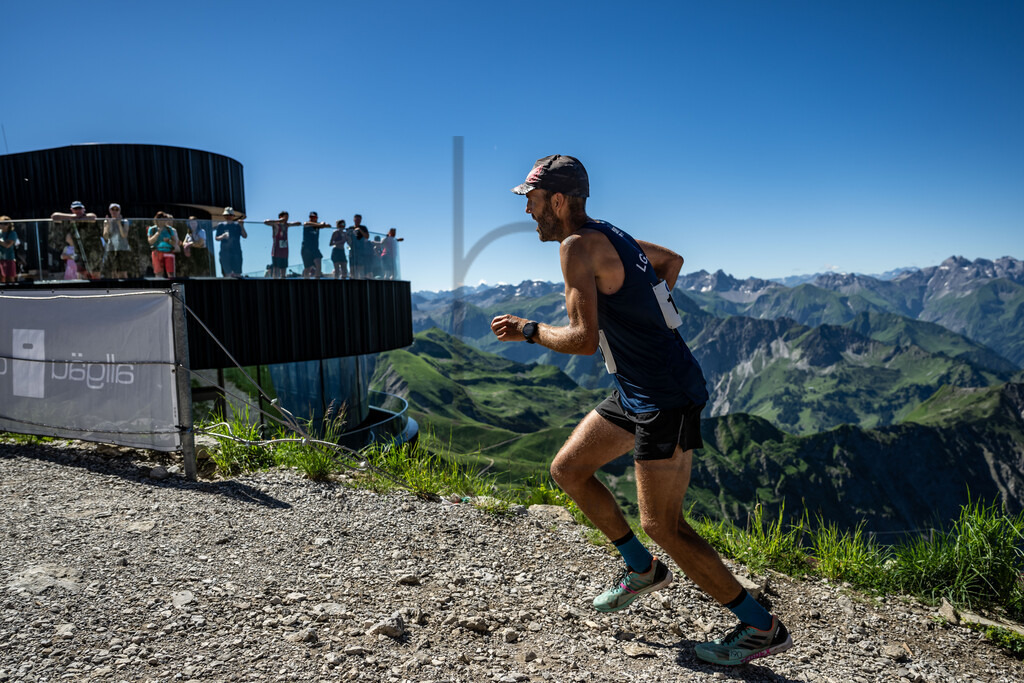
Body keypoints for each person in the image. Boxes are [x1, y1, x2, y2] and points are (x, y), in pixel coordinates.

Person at [490, 155, 793, 667]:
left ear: (557, 201)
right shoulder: (612, 234)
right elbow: (671, 261)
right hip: (636, 389)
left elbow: (583, 341)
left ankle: (761, 627)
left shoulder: (575, 246)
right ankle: (642, 570)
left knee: (662, 525)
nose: (528, 211)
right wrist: (641, 317)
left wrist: (528, 330)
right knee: (568, 469)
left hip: (664, 396)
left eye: (532, 200)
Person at [51, 201, 102, 279]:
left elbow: (93, 217)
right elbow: (54, 216)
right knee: (81, 273)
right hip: (79, 251)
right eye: (75, 209)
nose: (78, 210)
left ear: (83, 209)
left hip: (91, 249)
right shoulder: (71, 218)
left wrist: (78, 217)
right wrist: (73, 216)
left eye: (79, 208)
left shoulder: (88, 216)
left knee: (95, 273)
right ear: (72, 210)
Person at [263, 211, 300, 279]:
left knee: (283, 269)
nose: (286, 219)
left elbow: (298, 223)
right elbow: (266, 222)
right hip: (276, 250)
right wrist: (279, 221)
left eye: (287, 217)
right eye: (285, 217)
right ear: (281, 217)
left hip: (284, 251)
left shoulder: (286, 225)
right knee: (276, 269)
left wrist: (290, 223)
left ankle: (283, 281)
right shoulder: (276, 225)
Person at [102, 203, 132, 278]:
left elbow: (124, 235)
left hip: (123, 248)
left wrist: (119, 223)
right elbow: (105, 236)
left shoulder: (125, 221)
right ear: (110, 211)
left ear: (119, 211)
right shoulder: (107, 221)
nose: (114, 211)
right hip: (111, 248)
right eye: (113, 209)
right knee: (113, 272)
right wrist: (108, 225)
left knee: (123, 272)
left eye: (116, 209)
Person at [214, 207, 247, 276]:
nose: (228, 217)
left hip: (236, 252)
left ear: (233, 216)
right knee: (227, 274)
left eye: (230, 215)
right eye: (227, 215)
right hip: (225, 253)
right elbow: (216, 238)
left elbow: (245, 236)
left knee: (237, 273)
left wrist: (242, 226)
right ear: (224, 216)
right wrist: (222, 236)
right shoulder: (221, 225)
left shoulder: (237, 225)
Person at [147, 211, 180, 278]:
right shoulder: (152, 229)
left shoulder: (169, 229)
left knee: (171, 274)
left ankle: (171, 284)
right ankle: (159, 284)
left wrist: (168, 241)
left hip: (168, 252)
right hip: (157, 253)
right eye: (161, 219)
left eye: (164, 219)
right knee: (158, 273)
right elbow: (150, 241)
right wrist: (157, 233)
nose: (163, 221)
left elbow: (174, 242)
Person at [301, 211, 330, 278]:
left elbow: (328, 225)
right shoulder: (307, 224)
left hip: (315, 249)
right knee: (308, 268)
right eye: (311, 217)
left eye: (314, 217)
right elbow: (305, 223)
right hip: (306, 249)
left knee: (318, 263)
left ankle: (317, 278)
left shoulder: (318, 226)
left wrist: (322, 224)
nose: (313, 218)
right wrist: (320, 225)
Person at [349, 214, 370, 279]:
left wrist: (360, 230)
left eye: (359, 219)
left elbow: (367, 236)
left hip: (361, 250)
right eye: (356, 219)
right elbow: (347, 238)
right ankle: (352, 279)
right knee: (352, 266)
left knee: (360, 266)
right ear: (354, 220)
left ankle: (361, 279)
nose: (357, 221)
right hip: (352, 250)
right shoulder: (350, 228)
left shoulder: (363, 228)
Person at [0, 217, 18, 283]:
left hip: (9, 259)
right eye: (1, 223)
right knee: (1, 278)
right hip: (0, 259)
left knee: (10, 279)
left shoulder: (12, 233)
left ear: (9, 225)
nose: (2, 225)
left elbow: (7, 245)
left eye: (5, 223)